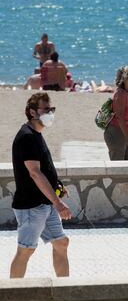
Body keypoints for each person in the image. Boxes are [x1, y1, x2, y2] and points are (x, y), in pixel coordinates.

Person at [10, 92, 72, 278]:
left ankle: (64, 289)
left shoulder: (36, 134)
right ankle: (14, 294)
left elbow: (44, 168)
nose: (50, 113)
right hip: (31, 206)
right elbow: (35, 173)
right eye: (46, 109)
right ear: (32, 112)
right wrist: (58, 203)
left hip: (45, 203)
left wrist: (57, 185)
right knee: (25, 250)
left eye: (51, 109)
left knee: (61, 243)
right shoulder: (27, 137)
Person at [104, 66, 128, 160]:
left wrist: (127, 136)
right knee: (117, 169)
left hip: (123, 134)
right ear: (124, 79)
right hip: (116, 135)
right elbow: (119, 117)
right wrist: (127, 137)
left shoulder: (126, 92)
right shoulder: (121, 94)